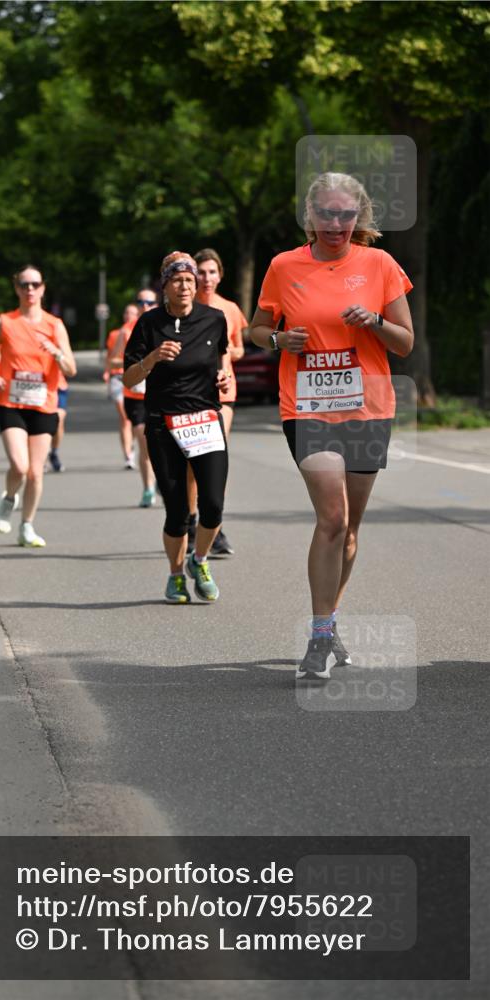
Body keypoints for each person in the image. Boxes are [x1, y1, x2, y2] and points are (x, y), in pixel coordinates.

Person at [249, 172, 414, 681]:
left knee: (349, 530)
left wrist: (374, 323)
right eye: (327, 214)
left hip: (368, 407)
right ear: (310, 216)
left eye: (346, 214)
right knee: (332, 516)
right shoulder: (284, 266)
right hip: (308, 405)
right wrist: (279, 341)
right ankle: (320, 637)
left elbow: (405, 342)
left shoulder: (380, 264)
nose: (336, 223)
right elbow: (256, 328)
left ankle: (330, 620)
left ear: (359, 217)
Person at [123, 252, 232, 603]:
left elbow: (221, 357)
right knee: (177, 511)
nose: (184, 286)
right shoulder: (148, 324)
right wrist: (152, 358)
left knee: (213, 504)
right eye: (177, 280)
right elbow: (128, 377)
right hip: (162, 424)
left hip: (204, 421)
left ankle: (199, 561)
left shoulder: (215, 319)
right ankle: (174, 574)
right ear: (165, 286)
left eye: (189, 279)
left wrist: (224, 374)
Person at [0, 264, 77, 547]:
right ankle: (8, 500)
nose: (30, 290)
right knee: (20, 466)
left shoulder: (54, 325)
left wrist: (57, 353)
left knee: (36, 472)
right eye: (24, 285)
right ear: (17, 289)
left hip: (44, 403)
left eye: (35, 284)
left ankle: (27, 526)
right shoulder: (5, 322)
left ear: (43, 288)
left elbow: (70, 369)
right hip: (11, 402)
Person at [191, 248, 247, 556]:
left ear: (220, 275)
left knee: (214, 454)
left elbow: (239, 348)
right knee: (191, 464)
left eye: (212, 272)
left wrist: (224, 353)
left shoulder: (229, 309)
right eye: (201, 272)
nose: (206, 278)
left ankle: (215, 525)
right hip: (191, 393)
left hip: (223, 392)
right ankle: (189, 521)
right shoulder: (184, 308)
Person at [116, 289, 159, 506]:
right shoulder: (126, 331)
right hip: (135, 395)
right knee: (144, 442)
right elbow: (115, 360)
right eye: (141, 302)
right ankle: (148, 488)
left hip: (159, 393)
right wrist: (138, 366)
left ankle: (159, 477)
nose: (145, 306)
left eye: (150, 302)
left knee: (160, 445)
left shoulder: (164, 326)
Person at [105, 303, 139, 468]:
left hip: (138, 378)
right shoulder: (115, 334)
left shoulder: (144, 330)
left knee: (133, 420)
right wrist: (107, 372)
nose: (128, 315)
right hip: (118, 377)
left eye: (132, 313)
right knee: (125, 417)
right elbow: (110, 357)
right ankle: (128, 455)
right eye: (126, 312)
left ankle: (132, 445)